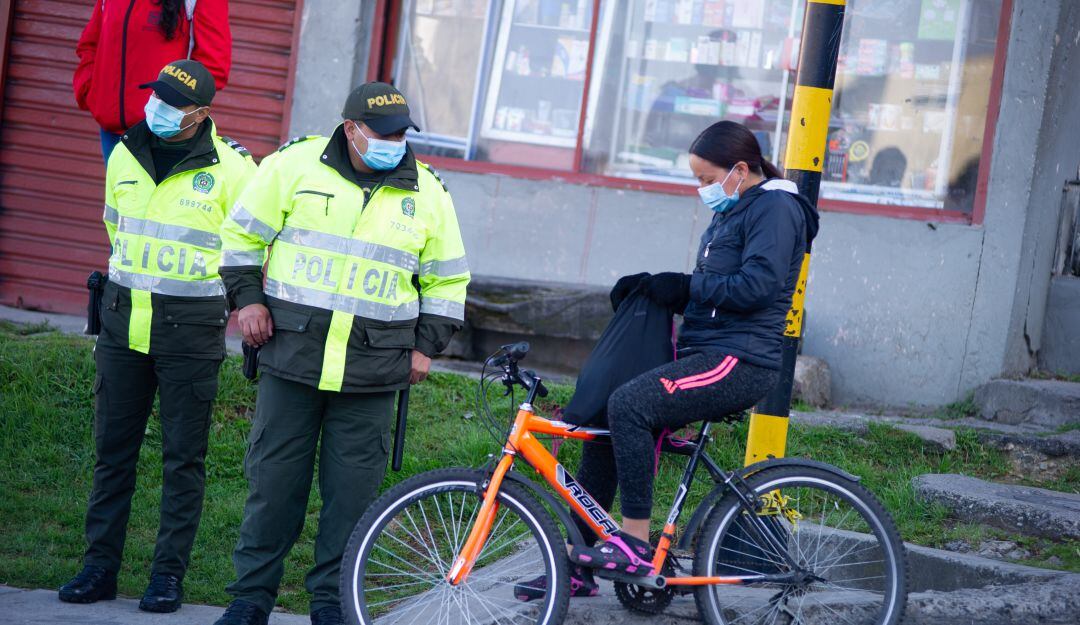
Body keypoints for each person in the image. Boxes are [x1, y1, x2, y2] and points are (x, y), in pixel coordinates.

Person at [515, 120, 819, 599]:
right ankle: (577, 566)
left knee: (631, 405)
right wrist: (659, 290)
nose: (702, 188)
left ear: (740, 170)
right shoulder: (736, 210)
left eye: (706, 178)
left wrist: (685, 286)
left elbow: (758, 286)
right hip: (709, 350)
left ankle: (634, 542)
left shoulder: (776, 208)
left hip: (740, 360)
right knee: (605, 416)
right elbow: (717, 292)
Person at [212, 82, 470, 625]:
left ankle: (332, 602)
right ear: (351, 129)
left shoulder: (428, 191)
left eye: (401, 135)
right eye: (383, 134)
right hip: (292, 356)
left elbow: (448, 280)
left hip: (374, 370)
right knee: (273, 488)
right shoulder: (294, 165)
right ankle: (250, 600)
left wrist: (426, 346)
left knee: (352, 500)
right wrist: (248, 299)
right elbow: (240, 236)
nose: (394, 144)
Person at [58, 59, 256, 613]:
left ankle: (167, 576)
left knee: (182, 459)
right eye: (156, 97)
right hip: (123, 322)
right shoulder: (124, 152)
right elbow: (115, 228)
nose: (158, 108)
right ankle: (99, 567)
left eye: (172, 103)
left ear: (201, 113)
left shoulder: (235, 168)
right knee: (112, 454)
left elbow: (248, 248)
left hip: (190, 330)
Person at [74, 0, 231, 161]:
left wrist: (171, 116)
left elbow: (213, 67)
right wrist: (91, 93)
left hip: (163, 136)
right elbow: (90, 44)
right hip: (111, 132)